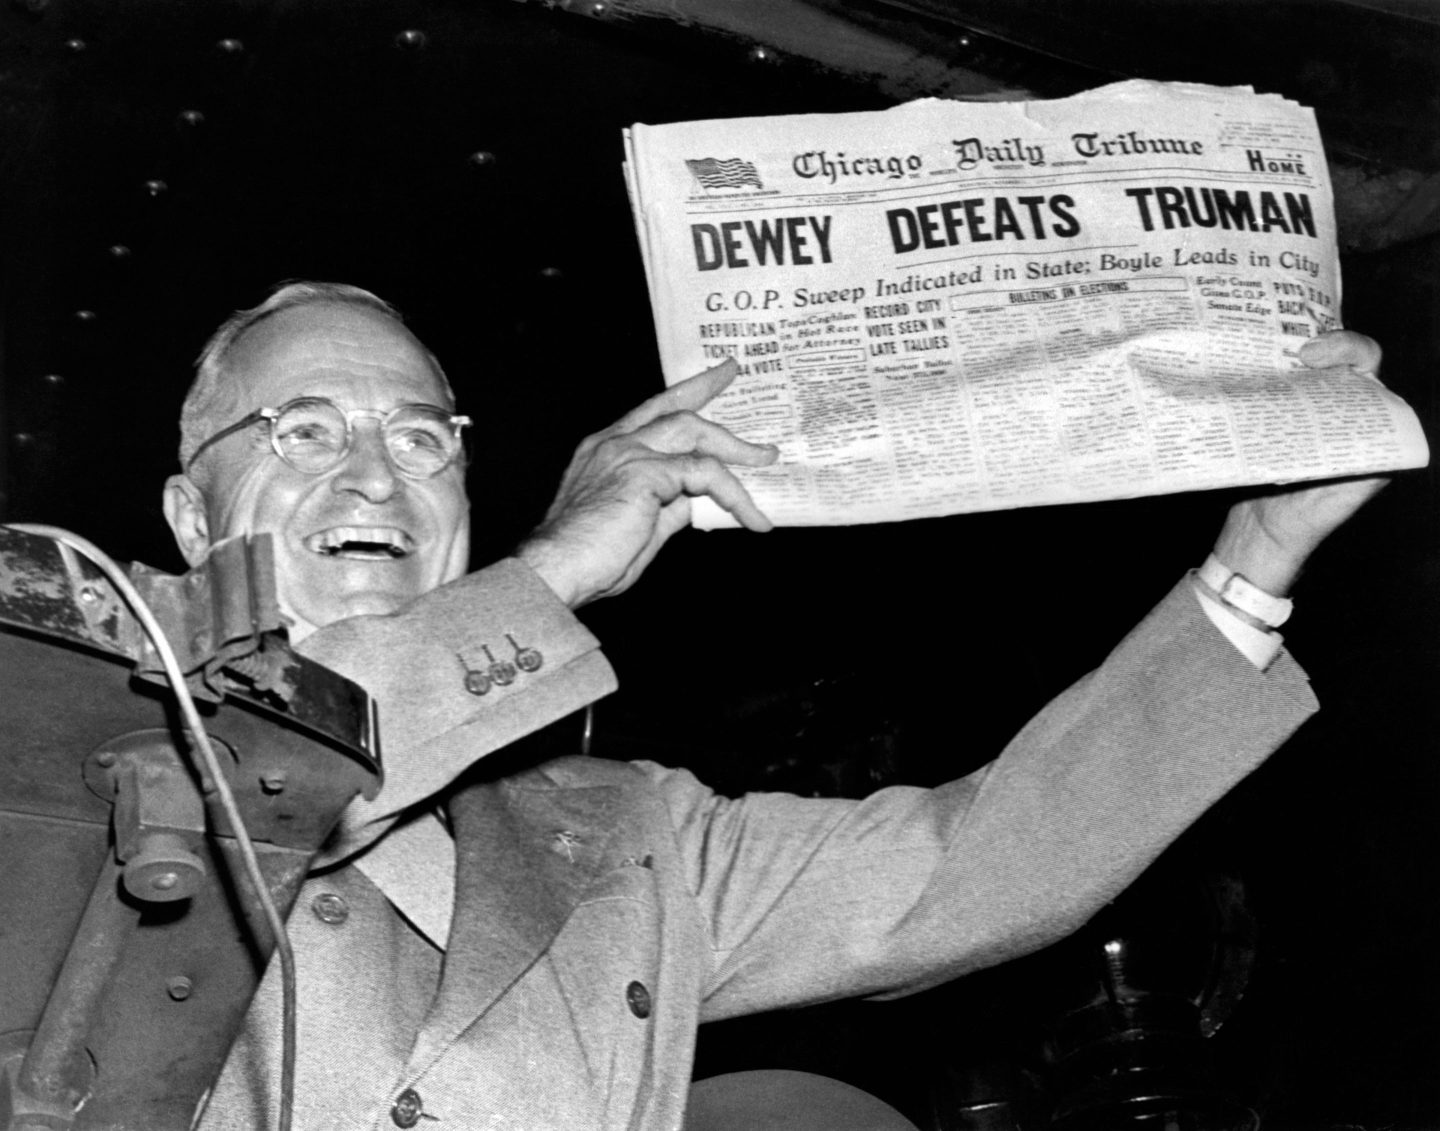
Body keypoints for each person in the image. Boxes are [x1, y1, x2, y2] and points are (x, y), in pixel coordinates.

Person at [163, 281, 1387, 1130]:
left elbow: (963, 869)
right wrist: (545, 582)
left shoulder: (614, 836)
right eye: (303, 431)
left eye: (424, 440)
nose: (375, 472)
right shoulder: (75, 720)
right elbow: (263, 788)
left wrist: (1255, 561)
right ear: (190, 519)